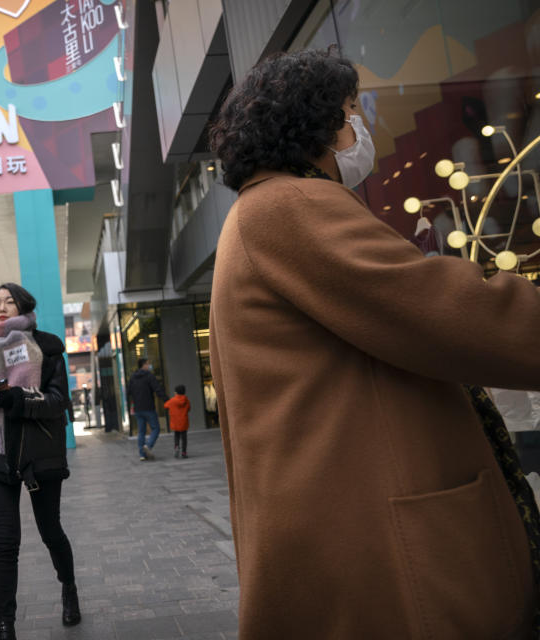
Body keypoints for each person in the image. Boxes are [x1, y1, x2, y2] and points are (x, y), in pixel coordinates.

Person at [208, 47, 540, 638]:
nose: (363, 124)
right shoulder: (290, 206)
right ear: (314, 124)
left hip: (332, 522)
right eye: (351, 110)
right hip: (378, 545)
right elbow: (446, 310)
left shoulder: (264, 210)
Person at [0, 283, 80, 640]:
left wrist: (15, 398)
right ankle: (5, 625)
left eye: (8, 301)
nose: (1, 307)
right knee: (5, 542)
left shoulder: (47, 349)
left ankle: (69, 589)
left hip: (39, 455)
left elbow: (58, 401)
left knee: (50, 531)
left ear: (24, 306)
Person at [127, 358, 166, 460]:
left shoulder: (132, 377)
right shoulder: (149, 376)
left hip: (138, 408)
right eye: (148, 364)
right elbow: (157, 388)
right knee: (156, 428)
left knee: (141, 431)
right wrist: (166, 399)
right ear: (143, 365)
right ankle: (148, 446)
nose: (149, 366)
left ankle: (142, 455)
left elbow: (128, 392)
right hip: (148, 407)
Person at [164, 385, 190, 458]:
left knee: (177, 435)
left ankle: (176, 446)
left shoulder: (172, 400)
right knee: (184, 438)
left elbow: (165, 405)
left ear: (176, 392)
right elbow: (189, 408)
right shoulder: (186, 400)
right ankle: (184, 452)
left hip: (175, 421)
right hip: (183, 421)